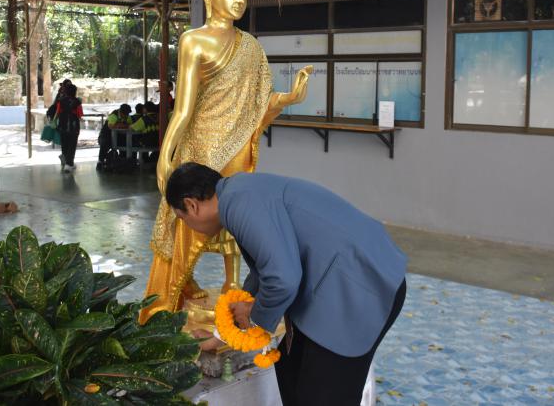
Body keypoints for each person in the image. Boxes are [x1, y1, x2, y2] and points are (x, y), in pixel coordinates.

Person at [139, 0, 312, 324]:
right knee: (188, 219)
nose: (239, 0)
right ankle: (174, 293)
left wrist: (288, 99)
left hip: (237, 149)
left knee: (238, 219)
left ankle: (236, 287)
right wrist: (165, 156)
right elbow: (183, 109)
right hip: (201, 148)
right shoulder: (194, 41)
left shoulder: (250, 46)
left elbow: (258, 104)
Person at [165, 162, 408, 406]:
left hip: (358, 285)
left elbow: (282, 279)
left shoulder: (239, 204)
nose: (188, 227)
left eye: (182, 218)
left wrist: (254, 316)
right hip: (343, 280)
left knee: (320, 396)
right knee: (290, 373)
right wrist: (222, 335)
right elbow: (262, 274)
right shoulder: (238, 193)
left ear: (191, 205)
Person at [55, 83, 83, 173]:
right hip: (74, 126)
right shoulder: (78, 102)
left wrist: (55, 121)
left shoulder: (60, 101)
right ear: (75, 92)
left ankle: (66, 162)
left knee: (64, 144)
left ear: (66, 92)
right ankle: (69, 164)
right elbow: (80, 114)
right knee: (72, 145)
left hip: (63, 125)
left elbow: (58, 112)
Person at [97, 103, 133, 170]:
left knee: (126, 143)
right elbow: (111, 126)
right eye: (125, 114)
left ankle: (123, 162)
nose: (127, 116)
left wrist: (120, 125)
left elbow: (130, 125)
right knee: (104, 143)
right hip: (106, 135)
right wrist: (122, 125)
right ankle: (100, 161)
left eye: (127, 114)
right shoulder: (113, 115)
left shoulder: (127, 116)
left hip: (119, 136)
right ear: (121, 112)